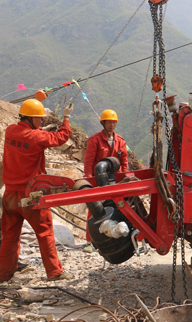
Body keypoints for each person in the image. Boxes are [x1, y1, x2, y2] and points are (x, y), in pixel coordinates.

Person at [0, 99, 74, 282]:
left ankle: (4, 274)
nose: (41, 122)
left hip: (9, 196)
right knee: (45, 232)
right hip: (30, 196)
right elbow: (61, 138)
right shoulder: (37, 137)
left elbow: (27, 137)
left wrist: (40, 131)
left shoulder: (10, 131)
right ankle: (55, 272)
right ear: (31, 119)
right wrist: (66, 118)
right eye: (39, 120)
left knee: (9, 237)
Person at [83, 109, 129, 178]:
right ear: (103, 123)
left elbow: (124, 162)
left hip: (116, 176)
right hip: (98, 177)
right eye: (109, 122)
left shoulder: (120, 141)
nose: (112, 125)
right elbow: (88, 162)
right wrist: (89, 177)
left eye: (114, 122)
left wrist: (124, 176)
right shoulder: (94, 140)